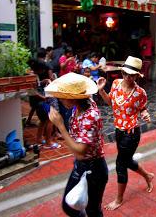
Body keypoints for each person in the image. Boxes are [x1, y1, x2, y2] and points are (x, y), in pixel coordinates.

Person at [45, 72, 108, 216]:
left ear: (74, 98)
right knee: (69, 206)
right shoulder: (80, 105)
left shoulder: (90, 115)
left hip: (94, 169)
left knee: (93, 210)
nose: (60, 99)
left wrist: (60, 126)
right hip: (82, 166)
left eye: (63, 96)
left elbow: (80, 152)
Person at [97, 56, 154, 211]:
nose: (128, 77)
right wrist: (101, 90)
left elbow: (143, 108)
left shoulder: (140, 93)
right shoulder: (115, 84)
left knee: (120, 164)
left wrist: (145, 114)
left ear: (137, 76)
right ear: (122, 72)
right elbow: (111, 103)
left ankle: (119, 199)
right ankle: (148, 176)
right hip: (119, 131)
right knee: (127, 161)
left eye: (132, 75)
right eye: (125, 74)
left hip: (132, 133)